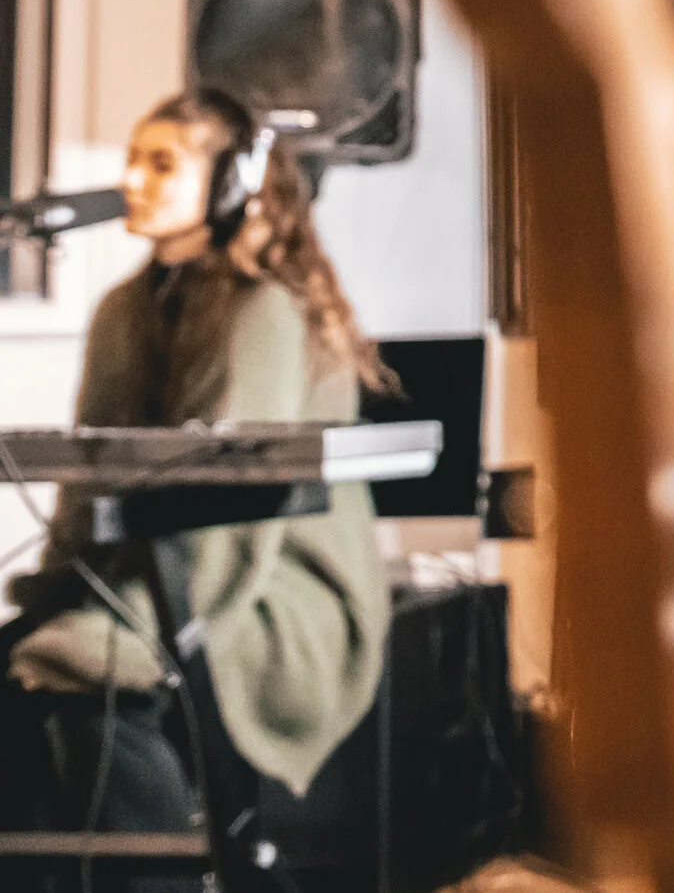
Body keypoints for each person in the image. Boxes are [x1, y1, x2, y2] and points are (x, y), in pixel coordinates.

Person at [0, 91, 393, 885]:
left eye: (162, 163)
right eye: (132, 161)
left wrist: (123, 623)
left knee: (84, 676)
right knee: (26, 671)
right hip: (155, 579)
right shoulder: (122, 311)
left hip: (272, 592)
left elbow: (231, 514)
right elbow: (88, 486)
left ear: (228, 182)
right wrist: (62, 591)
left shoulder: (263, 309)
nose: (133, 180)